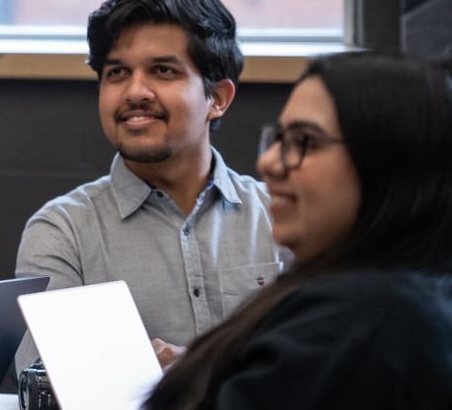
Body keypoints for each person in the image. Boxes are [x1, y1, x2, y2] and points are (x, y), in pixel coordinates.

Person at [145, 51, 452, 409]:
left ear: (392, 161)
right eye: (280, 139)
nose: (269, 162)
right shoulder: (386, 293)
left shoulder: (364, 323)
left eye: (305, 142)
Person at [15, 0, 289, 371]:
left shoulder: (283, 217)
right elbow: (48, 385)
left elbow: (331, 363)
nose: (134, 92)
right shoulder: (63, 233)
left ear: (218, 97)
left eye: (163, 71)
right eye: (117, 73)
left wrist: (197, 369)